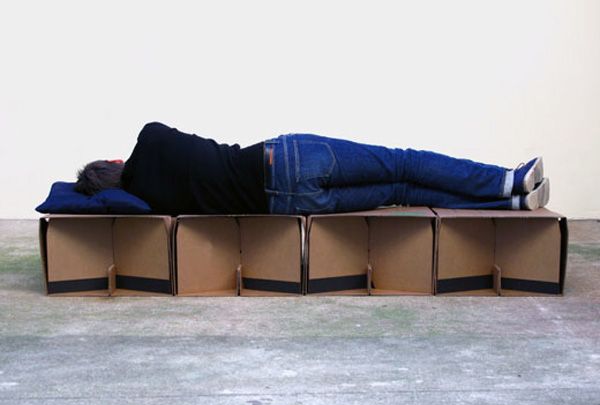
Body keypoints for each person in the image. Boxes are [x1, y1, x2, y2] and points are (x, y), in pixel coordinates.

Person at [75, 121, 549, 215]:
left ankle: (510, 201)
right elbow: (160, 132)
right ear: (116, 161)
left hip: (293, 206)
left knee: (403, 189)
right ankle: (506, 180)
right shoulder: (150, 138)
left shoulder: (150, 203)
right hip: (286, 158)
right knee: (405, 160)